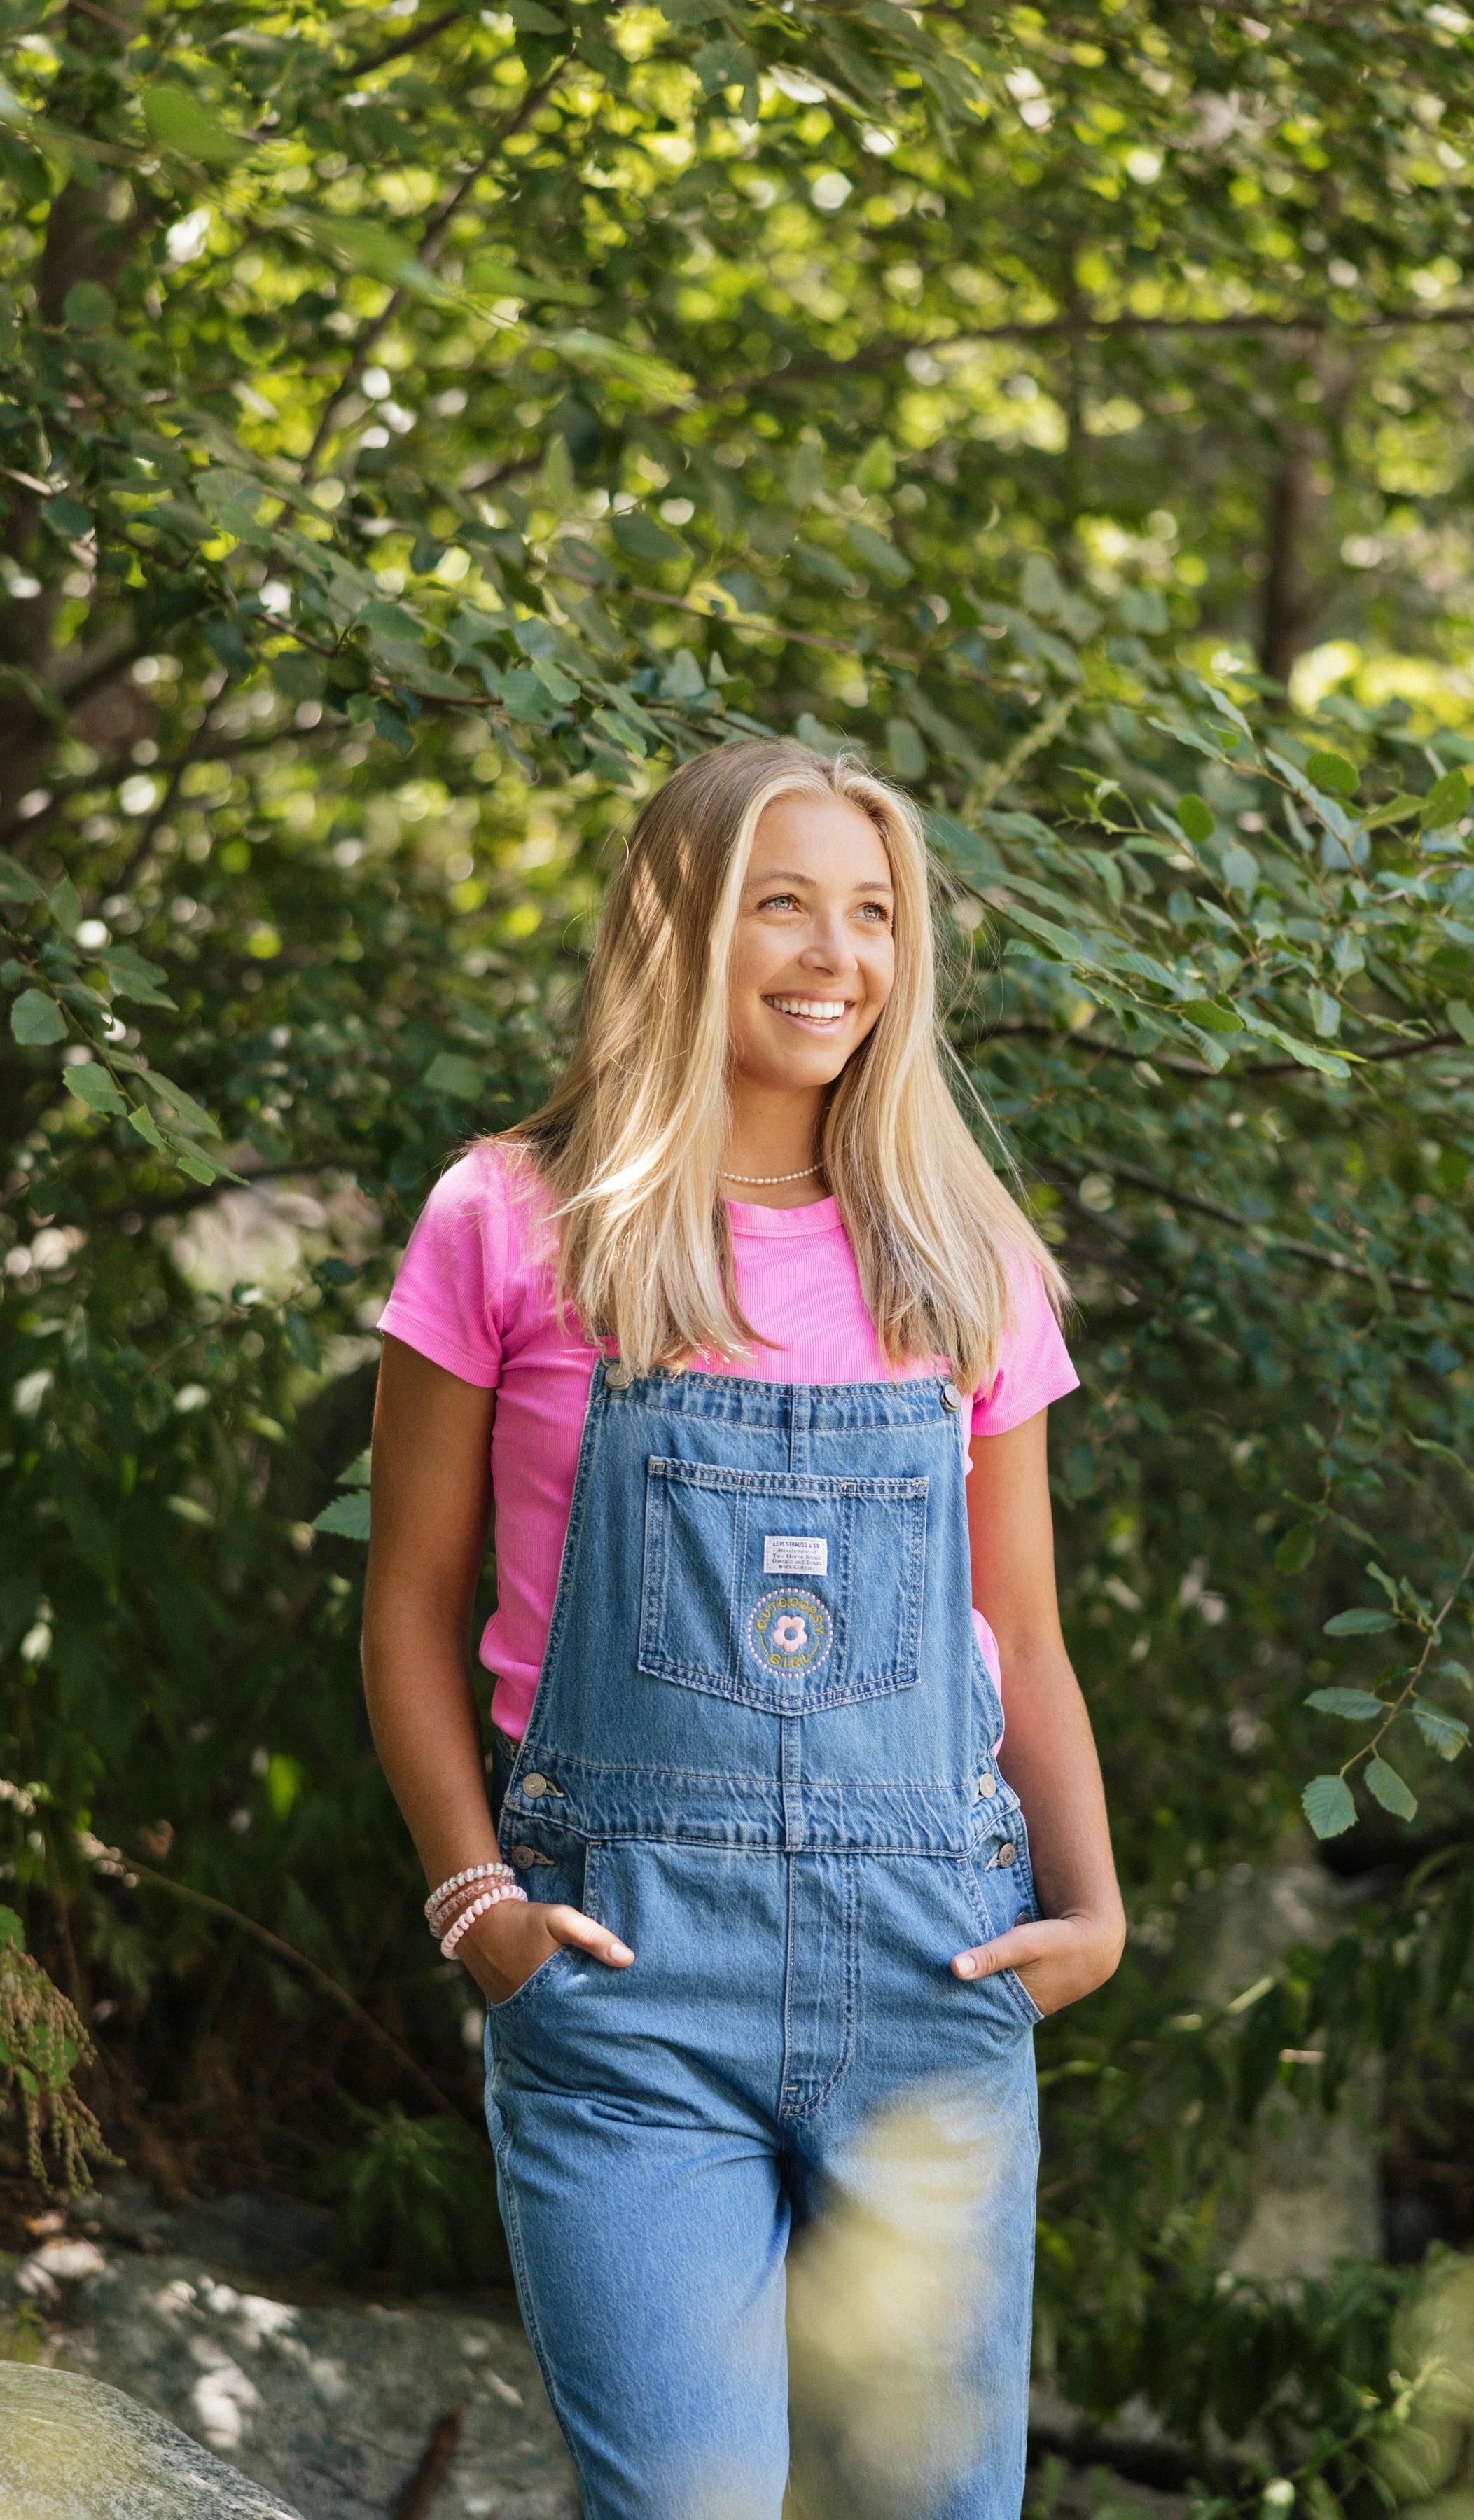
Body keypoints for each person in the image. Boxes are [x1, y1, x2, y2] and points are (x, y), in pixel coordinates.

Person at [361, 738, 1125, 2520]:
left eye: (873, 913)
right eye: (784, 904)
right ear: (681, 925)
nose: (835, 955)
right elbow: (406, 1602)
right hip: (624, 1975)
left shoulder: (963, 1252)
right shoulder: (512, 1220)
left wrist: (1092, 1910)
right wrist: (478, 1906)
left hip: (933, 1970)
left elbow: (1022, 1628)